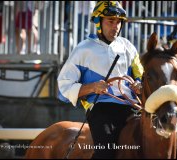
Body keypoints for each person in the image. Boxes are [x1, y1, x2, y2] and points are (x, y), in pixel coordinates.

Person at [57, 1, 144, 159]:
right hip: (101, 109)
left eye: (118, 22)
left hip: (132, 107)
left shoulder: (128, 47)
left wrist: (139, 85)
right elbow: (64, 89)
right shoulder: (83, 49)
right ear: (98, 23)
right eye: (111, 21)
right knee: (106, 154)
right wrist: (92, 87)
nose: (116, 26)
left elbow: (141, 75)